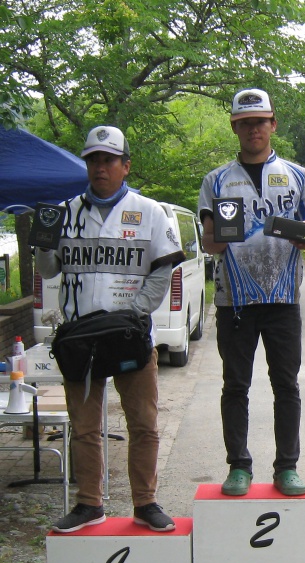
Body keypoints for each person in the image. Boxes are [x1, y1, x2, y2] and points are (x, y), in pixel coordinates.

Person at [37, 125, 184, 533]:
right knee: (84, 427)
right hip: (81, 337)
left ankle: (146, 502)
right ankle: (89, 503)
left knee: (143, 424)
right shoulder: (64, 212)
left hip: (128, 335)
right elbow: (48, 270)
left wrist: (133, 315)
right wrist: (41, 239)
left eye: (108, 160)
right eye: (93, 160)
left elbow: (162, 271)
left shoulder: (150, 212)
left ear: (125, 166)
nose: (100, 168)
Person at [198, 88, 305, 497]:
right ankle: (239, 466)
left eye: (261, 121)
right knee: (236, 386)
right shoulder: (215, 180)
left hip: (284, 299)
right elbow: (209, 244)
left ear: (273, 125)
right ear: (235, 126)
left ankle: (287, 466)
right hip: (234, 300)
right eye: (246, 122)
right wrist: (216, 236)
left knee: (286, 385)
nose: (254, 128)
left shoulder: (298, 175)